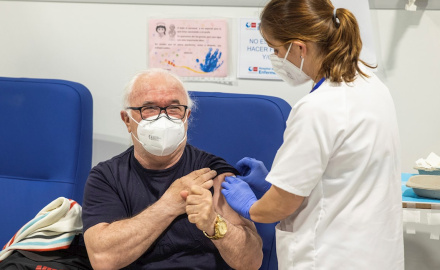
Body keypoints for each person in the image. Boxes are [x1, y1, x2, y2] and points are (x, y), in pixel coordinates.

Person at [221, 0, 404, 269]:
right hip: (375, 252)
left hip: (330, 256)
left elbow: (280, 207)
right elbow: (339, 173)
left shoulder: (317, 108)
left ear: (299, 47)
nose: (274, 57)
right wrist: (274, 185)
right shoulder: (370, 83)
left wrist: (251, 205)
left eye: (275, 49)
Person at [82, 68, 263, 270]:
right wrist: (169, 204)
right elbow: (102, 259)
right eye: (149, 108)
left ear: (187, 117)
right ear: (127, 120)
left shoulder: (214, 172)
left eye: (174, 109)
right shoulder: (106, 177)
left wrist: (214, 223)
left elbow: (251, 262)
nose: (163, 119)